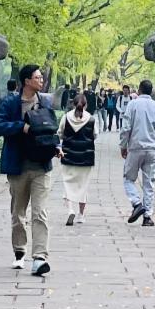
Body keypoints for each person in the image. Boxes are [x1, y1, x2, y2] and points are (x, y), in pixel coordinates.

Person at [0, 63, 60, 276]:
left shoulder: (45, 102)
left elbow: (51, 130)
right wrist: (21, 126)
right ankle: (19, 251)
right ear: (27, 81)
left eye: (41, 78)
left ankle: (39, 258)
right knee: (18, 214)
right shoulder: (11, 102)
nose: (41, 80)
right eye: (38, 78)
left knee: (40, 213)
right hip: (18, 166)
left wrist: (56, 147)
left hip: (41, 166)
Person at [120, 77, 155, 226]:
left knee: (128, 178)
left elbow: (126, 128)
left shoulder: (133, 104)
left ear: (139, 90)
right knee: (149, 183)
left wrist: (123, 145)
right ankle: (147, 216)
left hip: (136, 147)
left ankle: (136, 203)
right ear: (151, 92)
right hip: (152, 149)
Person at [59, 89, 98, 224]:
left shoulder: (65, 117)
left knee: (68, 185)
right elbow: (95, 135)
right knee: (83, 186)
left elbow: (59, 133)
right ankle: (81, 215)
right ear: (86, 105)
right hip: (86, 158)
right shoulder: (91, 119)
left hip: (68, 156)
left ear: (73, 104)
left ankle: (70, 210)